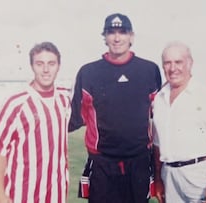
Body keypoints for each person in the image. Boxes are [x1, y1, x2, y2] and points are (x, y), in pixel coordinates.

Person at [68, 13, 162, 203]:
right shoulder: (88, 73)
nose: (117, 38)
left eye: (122, 32)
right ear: (104, 37)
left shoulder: (149, 70)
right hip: (103, 163)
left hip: (139, 161)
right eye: (111, 32)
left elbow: (161, 114)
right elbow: (73, 118)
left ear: (131, 37)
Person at [0, 42, 71, 203]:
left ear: (58, 66)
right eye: (39, 64)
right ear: (32, 66)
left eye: (51, 64)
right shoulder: (15, 103)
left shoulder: (64, 98)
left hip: (56, 195)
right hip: (23, 195)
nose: (45, 70)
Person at [152, 41, 206, 203]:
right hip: (170, 176)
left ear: (190, 63)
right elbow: (157, 145)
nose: (173, 68)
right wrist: (159, 179)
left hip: (200, 175)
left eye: (178, 62)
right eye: (167, 63)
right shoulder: (159, 99)